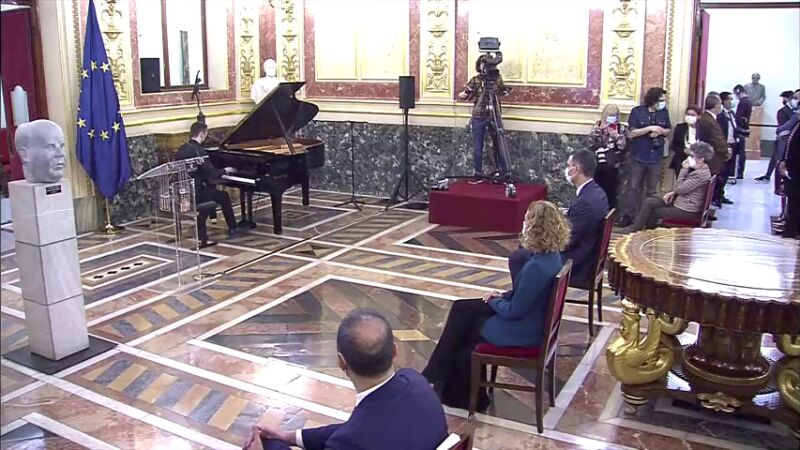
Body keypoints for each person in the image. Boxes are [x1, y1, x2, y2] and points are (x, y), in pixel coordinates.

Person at [422, 201, 570, 412]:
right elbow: (526, 295)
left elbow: (514, 310)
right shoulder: (552, 257)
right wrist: (501, 295)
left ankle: (441, 379)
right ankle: (449, 385)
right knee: (462, 311)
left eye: (526, 220)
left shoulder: (537, 267)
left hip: (523, 331)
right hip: (533, 323)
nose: (523, 224)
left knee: (463, 325)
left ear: (536, 227)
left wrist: (493, 301)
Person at [246, 309, 448, 450]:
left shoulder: (351, 441)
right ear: (395, 351)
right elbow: (352, 429)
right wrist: (291, 437)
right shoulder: (417, 381)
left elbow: (352, 435)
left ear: (341, 362)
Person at [618, 142, 713, 233]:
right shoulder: (700, 169)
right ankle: (638, 229)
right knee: (649, 201)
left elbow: (679, 189)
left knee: (653, 211)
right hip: (682, 201)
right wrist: (673, 193)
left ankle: (645, 233)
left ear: (701, 159)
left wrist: (684, 169)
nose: (688, 158)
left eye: (692, 156)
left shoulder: (699, 174)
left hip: (686, 209)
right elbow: (681, 189)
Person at [175, 122, 239, 248]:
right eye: (206, 134)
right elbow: (212, 173)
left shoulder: (181, 149)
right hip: (196, 193)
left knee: (211, 193)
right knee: (224, 196)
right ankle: (233, 227)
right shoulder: (199, 151)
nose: (206, 137)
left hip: (184, 192)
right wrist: (226, 170)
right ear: (202, 134)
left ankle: (201, 229)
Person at [617, 87, 671, 227]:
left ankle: (647, 219)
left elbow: (668, 129)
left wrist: (661, 131)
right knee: (634, 187)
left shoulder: (664, 112)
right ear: (653, 100)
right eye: (661, 100)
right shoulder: (637, 112)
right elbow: (632, 133)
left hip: (655, 157)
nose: (663, 103)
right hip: (639, 155)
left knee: (652, 190)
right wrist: (650, 128)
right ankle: (628, 216)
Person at [458, 55, 510, 184]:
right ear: (480, 65)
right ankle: (478, 173)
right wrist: (468, 91)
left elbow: (503, 90)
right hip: (479, 115)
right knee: (478, 145)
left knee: (499, 143)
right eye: (484, 63)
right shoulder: (476, 80)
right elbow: (462, 95)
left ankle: (502, 172)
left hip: (494, 114)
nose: (486, 67)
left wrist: (505, 91)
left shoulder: (497, 78)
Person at [588, 104, 627, 209]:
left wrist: (617, 136)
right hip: (597, 163)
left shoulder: (620, 128)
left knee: (610, 190)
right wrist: (599, 130)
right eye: (609, 114)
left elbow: (623, 147)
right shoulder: (598, 125)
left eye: (614, 115)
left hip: (612, 164)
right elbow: (590, 143)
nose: (611, 117)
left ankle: (609, 212)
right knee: (596, 189)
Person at [757, 90, 798, 183]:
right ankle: (775, 180)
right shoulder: (783, 111)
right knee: (778, 160)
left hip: (791, 141)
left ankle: (769, 176)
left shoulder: (794, 111)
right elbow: (782, 128)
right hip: (783, 139)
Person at [696, 93, 728, 208]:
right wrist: (726, 151)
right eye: (720, 104)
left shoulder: (711, 119)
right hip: (711, 158)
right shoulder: (706, 120)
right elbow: (715, 139)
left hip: (715, 157)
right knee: (708, 186)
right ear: (716, 105)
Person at [778, 110, 800, 238]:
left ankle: (794, 229)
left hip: (796, 168)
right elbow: (790, 144)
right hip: (792, 167)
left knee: (796, 199)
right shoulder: (797, 122)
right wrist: (784, 161)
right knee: (793, 198)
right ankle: (791, 227)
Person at [717, 92, 743, 198]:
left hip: (733, 145)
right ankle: (717, 195)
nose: (732, 101)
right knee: (722, 172)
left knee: (728, 171)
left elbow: (734, 127)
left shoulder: (732, 113)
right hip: (724, 146)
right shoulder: (720, 115)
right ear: (724, 101)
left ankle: (721, 194)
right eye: (729, 99)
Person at [669, 106, 701, 178]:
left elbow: (706, 146)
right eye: (688, 114)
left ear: (698, 116)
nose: (690, 117)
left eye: (692, 115)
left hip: (697, 162)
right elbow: (674, 145)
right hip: (681, 160)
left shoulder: (703, 128)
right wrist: (683, 150)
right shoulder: (680, 127)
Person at [732, 84, 752, 180]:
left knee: (740, 152)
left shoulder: (743, 102)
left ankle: (739, 171)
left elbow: (739, 117)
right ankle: (740, 171)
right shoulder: (748, 101)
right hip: (744, 128)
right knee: (741, 151)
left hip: (740, 129)